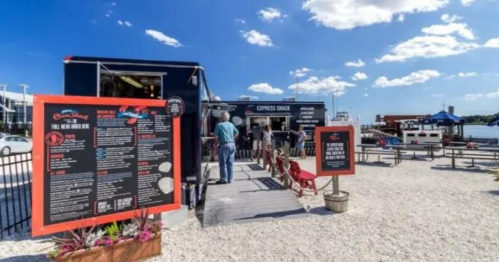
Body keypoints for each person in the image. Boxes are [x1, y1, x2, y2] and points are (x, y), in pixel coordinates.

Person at [213, 112, 239, 184]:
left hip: (224, 145)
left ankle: (224, 179)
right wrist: (232, 138)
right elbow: (237, 132)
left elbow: (215, 136)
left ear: (222, 117)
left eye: (221, 116)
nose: (220, 117)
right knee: (230, 163)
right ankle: (230, 179)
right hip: (232, 144)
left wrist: (217, 143)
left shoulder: (219, 125)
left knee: (222, 163)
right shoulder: (231, 124)